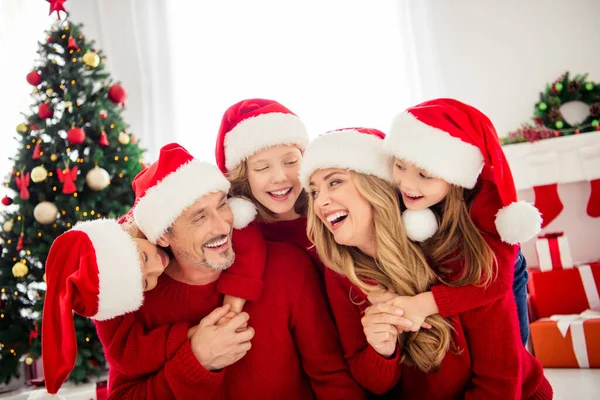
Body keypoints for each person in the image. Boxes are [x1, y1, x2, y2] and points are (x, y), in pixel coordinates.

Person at [301, 126, 553, 399]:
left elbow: (499, 380)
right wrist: (382, 349)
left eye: (334, 182)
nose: (321, 202)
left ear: (376, 186)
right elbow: (376, 385)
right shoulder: (341, 272)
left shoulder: (456, 251)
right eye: (314, 192)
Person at [99, 143, 365, 399]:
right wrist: (196, 360)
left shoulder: (288, 268)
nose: (223, 225)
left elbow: (331, 378)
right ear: (164, 235)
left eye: (222, 204)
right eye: (200, 217)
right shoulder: (141, 294)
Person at [381, 98, 541, 344]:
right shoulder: (406, 196)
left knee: (508, 345)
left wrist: (424, 304)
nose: (407, 183)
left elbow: (493, 284)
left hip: (497, 274)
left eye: (425, 175)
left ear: (454, 178)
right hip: (455, 272)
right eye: (400, 166)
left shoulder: (486, 209)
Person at [29, 218, 168, 399]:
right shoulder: (109, 299)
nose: (158, 267)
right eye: (145, 283)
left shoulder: (145, 215)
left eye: (144, 256)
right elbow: (127, 354)